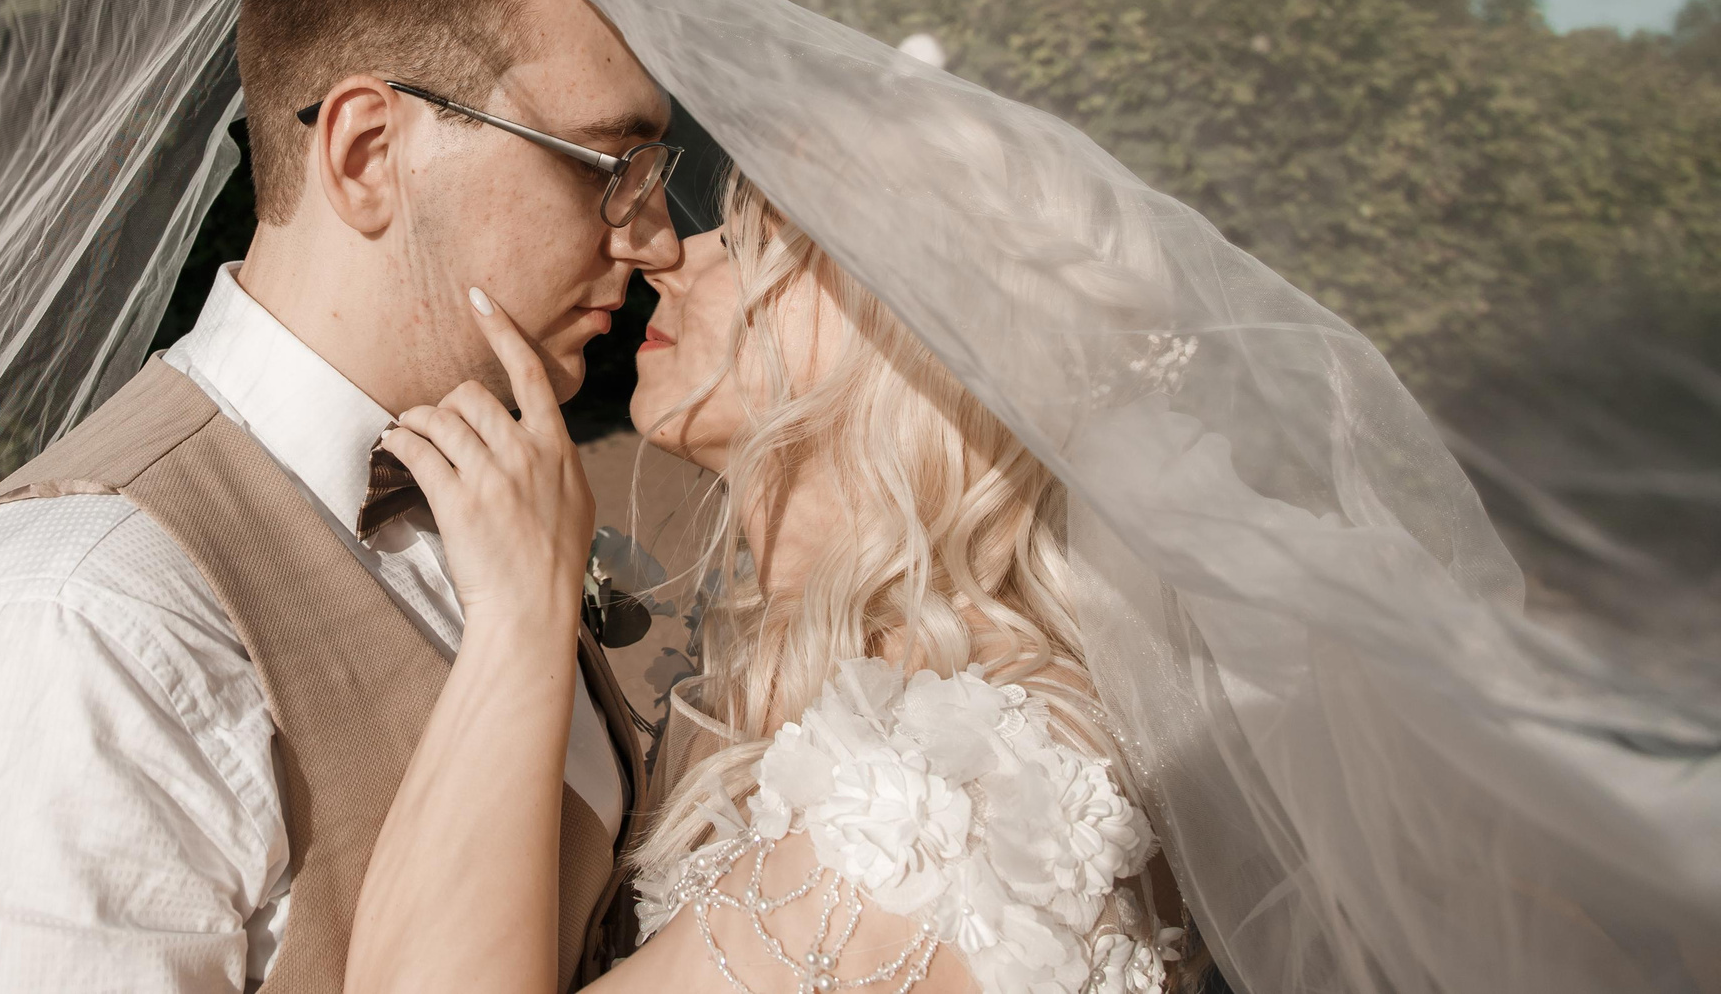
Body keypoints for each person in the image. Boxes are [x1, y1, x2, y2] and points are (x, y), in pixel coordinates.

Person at [0, 0, 687, 991]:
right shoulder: (66, 627)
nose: (655, 241)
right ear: (369, 155)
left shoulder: (499, 508)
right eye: (607, 165)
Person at [349, 171, 1189, 994]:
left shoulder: (947, 815)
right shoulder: (855, 696)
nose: (668, 255)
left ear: (911, 343)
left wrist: (521, 616)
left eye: (753, 239)